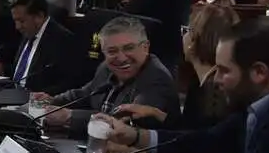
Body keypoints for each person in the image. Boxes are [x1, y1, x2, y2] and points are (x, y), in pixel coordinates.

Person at [99, 18, 269, 153]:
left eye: (224, 70)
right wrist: (136, 136)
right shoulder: (255, 107)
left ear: (259, 72)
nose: (217, 79)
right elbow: (209, 142)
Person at [34, 17, 178, 139]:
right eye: (112, 51)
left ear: (146, 47)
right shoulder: (106, 67)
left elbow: (122, 125)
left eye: (129, 48)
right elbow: (85, 93)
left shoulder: (157, 80)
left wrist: (70, 116)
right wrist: (53, 100)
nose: (121, 58)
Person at [113, 4, 238, 131]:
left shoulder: (215, 92)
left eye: (187, 31)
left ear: (194, 40)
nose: (183, 37)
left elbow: (194, 142)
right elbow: (187, 127)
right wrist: (155, 113)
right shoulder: (199, 82)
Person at [0, 0, 84, 94]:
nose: (17, 27)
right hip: (14, 94)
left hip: (35, 102)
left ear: (39, 16)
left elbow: (70, 84)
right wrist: (2, 68)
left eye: (21, 21)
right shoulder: (29, 32)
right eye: (15, 21)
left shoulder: (62, 40)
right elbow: (26, 74)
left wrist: (40, 96)